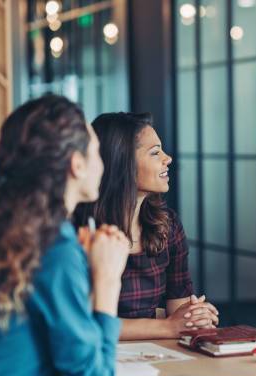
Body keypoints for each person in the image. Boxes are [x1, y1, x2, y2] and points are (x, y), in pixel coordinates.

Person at [0, 95, 129, 376]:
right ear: (77, 164)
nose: (103, 163)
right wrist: (108, 279)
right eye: (97, 151)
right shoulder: (54, 245)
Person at [74, 112, 219, 340]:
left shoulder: (167, 224)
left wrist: (194, 316)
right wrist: (168, 327)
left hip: (157, 356)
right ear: (123, 162)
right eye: (155, 152)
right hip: (97, 356)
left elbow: (178, 308)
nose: (168, 158)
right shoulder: (79, 230)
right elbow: (79, 322)